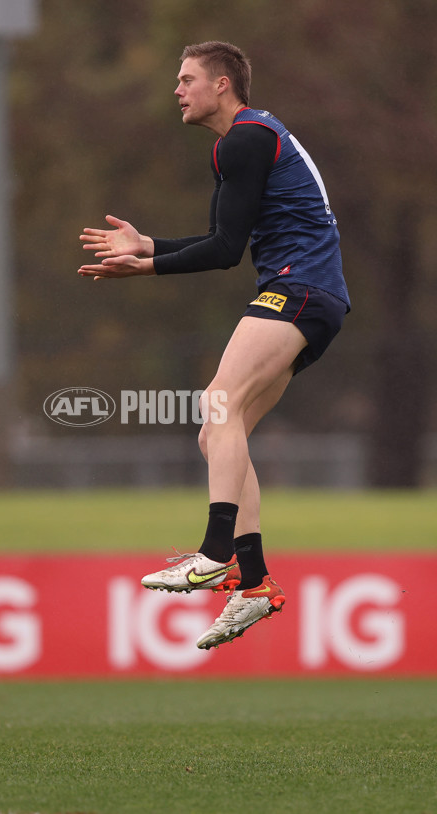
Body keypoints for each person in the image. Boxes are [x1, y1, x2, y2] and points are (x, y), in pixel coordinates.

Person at [78, 41, 350, 650]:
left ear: (222, 84)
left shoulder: (243, 140)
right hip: (314, 295)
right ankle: (252, 586)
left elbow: (226, 253)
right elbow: (219, 237)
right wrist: (148, 245)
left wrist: (142, 271)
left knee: (217, 405)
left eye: (187, 79)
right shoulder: (246, 140)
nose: (177, 89)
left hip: (298, 288)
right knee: (218, 432)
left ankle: (213, 553)